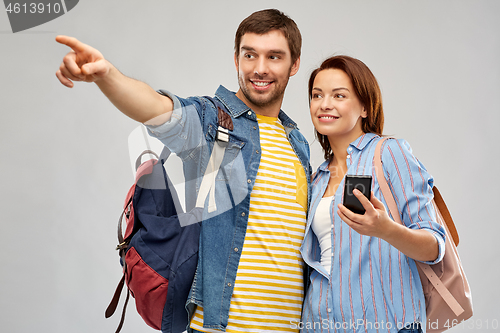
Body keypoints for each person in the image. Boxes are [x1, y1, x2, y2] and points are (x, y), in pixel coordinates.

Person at [55, 9, 311, 333]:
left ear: (295, 63)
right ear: (236, 59)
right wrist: (106, 75)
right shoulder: (213, 121)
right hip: (218, 327)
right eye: (250, 55)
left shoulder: (298, 143)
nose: (260, 68)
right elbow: (157, 108)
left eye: (274, 56)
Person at [299, 55, 446, 333]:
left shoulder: (389, 153)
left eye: (339, 95)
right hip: (319, 325)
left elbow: (435, 246)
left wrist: (386, 230)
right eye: (317, 95)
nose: (324, 104)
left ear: (365, 106)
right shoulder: (316, 178)